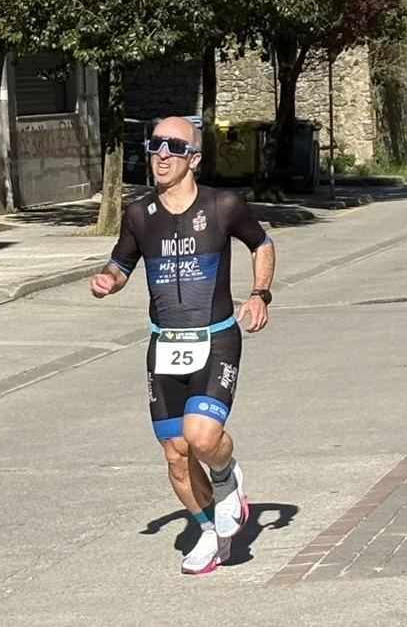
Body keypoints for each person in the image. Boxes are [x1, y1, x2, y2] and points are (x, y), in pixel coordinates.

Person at [89, 116, 277, 576]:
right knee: (176, 453)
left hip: (215, 338)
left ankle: (226, 476)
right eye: (155, 145)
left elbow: (262, 243)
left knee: (202, 437)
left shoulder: (223, 205)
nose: (162, 154)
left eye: (174, 147)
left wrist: (259, 294)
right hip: (165, 345)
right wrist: (108, 280)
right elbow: (120, 264)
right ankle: (210, 531)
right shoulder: (139, 214)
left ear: (194, 159)